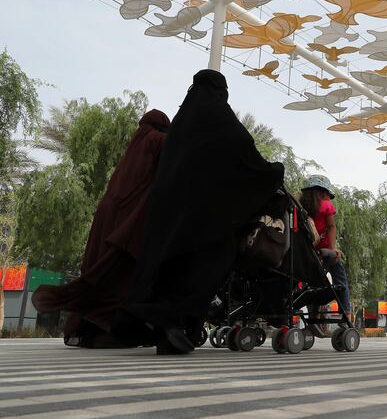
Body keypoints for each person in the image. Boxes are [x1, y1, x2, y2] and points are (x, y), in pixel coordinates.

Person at [112, 70, 285, 354]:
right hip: (205, 222)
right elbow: (246, 157)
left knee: (171, 268)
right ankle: (174, 324)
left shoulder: (181, 124)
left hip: (168, 218)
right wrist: (274, 172)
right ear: (222, 92)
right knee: (212, 263)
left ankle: (176, 327)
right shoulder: (221, 119)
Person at [32, 110, 170, 348]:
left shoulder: (135, 144)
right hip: (127, 219)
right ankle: (110, 330)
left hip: (107, 215)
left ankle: (83, 330)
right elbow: (179, 149)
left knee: (98, 267)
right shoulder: (154, 139)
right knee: (119, 274)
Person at [300, 175, 353, 326]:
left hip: (304, 253)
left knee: (313, 284)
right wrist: (333, 249)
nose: (329, 198)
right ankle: (347, 315)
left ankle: (313, 314)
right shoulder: (325, 205)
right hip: (322, 253)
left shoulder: (299, 205)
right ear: (323, 192)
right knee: (340, 278)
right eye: (329, 195)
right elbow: (331, 227)